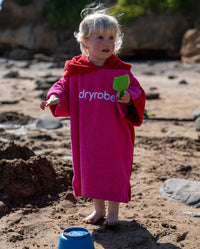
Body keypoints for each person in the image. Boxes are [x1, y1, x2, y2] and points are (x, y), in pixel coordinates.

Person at [40, 5, 145, 226]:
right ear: (84, 43)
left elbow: (136, 91)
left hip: (116, 133)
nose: (107, 42)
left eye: (111, 37)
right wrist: (54, 97)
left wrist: (129, 98)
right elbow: (62, 86)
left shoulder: (120, 71)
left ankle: (114, 213)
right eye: (100, 37)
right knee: (93, 169)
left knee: (115, 169)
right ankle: (98, 211)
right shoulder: (77, 71)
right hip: (88, 134)